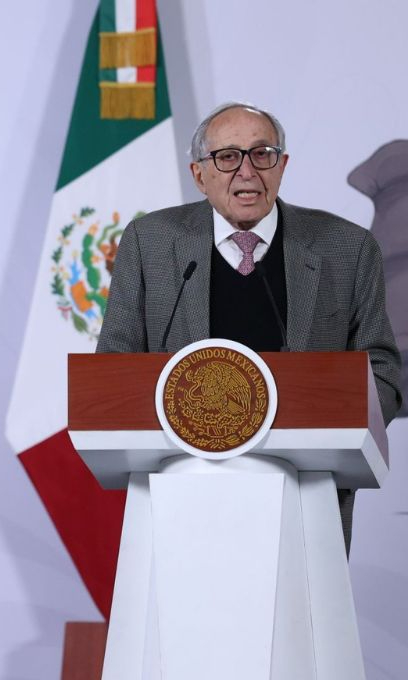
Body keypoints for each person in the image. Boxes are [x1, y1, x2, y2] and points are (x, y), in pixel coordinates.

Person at [97, 102, 403, 551]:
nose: (247, 171)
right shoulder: (150, 242)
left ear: (282, 165)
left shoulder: (348, 247)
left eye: (262, 154)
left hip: (306, 497)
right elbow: (114, 367)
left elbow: (383, 371)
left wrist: (343, 423)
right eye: (227, 156)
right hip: (180, 493)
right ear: (199, 174)